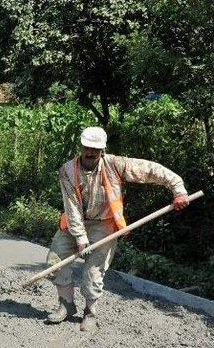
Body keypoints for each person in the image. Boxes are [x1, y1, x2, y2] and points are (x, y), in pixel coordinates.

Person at [46, 127, 189, 332]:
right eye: (87, 147)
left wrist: (178, 189)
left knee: (93, 271)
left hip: (104, 224)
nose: (90, 152)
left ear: (102, 150)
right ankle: (66, 305)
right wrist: (80, 237)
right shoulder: (68, 170)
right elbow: (72, 207)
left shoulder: (115, 164)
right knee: (55, 261)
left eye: (95, 149)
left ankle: (90, 312)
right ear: (81, 146)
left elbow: (150, 169)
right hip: (74, 222)